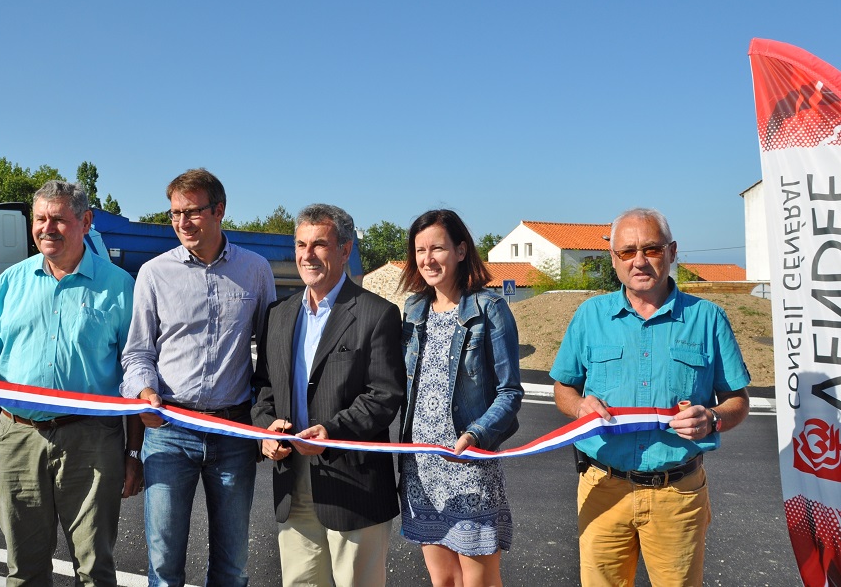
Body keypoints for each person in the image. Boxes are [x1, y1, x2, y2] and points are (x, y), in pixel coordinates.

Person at [0, 180, 142, 586]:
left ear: (86, 222)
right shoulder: (10, 283)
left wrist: (133, 454)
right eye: (40, 219)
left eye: (58, 219)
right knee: (24, 570)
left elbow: (136, 377)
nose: (47, 228)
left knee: (95, 569)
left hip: (92, 441)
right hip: (18, 439)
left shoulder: (120, 287)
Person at [550, 207, 751, 587]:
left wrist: (713, 418)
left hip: (677, 494)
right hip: (603, 488)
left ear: (672, 252)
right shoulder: (589, 316)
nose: (639, 261)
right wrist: (578, 406)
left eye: (652, 249)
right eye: (627, 251)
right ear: (614, 258)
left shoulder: (708, 319)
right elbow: (564, 388)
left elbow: (737, 400)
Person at [120, 168, 276, 587]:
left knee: (232, 565)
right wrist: (144, 390)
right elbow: (137, 352)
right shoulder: (154, 273)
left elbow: (271, 356)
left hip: (233, 432)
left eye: (191, 212)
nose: (182, 222)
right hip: (169, 430)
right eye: (174, 214)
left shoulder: (255, 270)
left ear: (219, 210)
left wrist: (265, 420)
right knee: (164, 564)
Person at [252, 203, 404, 587]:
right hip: (293, 482)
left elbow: (384, 395)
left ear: (345, 249)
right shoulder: (278, 314)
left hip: (354, 486)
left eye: (319, 244)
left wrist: (332, 432)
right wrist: (266, 430)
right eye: (300, 244)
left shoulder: (377, 313)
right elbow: (264, 387)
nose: (307, 255)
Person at [397, 209, 524, 587]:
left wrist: (476, 434)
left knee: (478, 580)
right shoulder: (413, 310)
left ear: (461, 250)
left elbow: (510, 392)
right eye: (420, 250)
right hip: (421, 468)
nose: (427, 259)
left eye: (437, 248)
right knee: (444, 580)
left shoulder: (490, 309)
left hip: (469, 465)